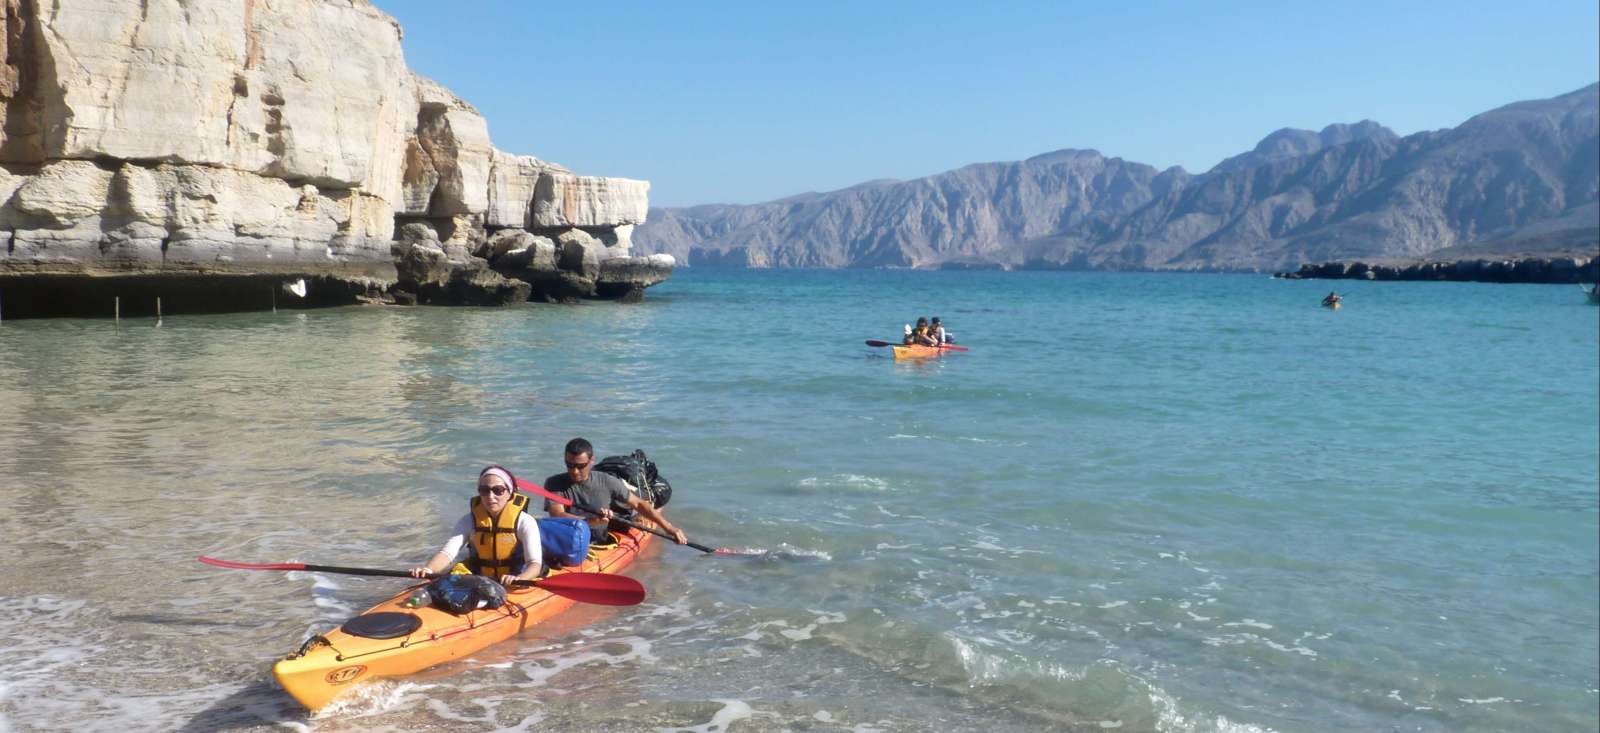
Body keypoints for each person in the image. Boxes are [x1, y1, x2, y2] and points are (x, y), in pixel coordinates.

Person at [409, 465, 544, 589]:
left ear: (510, 493)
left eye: (498, 490)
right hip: (480, 579)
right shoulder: (468, 521)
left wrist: (519, 579)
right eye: (484, 490)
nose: (491, 496)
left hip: (515, 578)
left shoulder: (525, 521)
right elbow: (447, 554)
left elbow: (534, 564)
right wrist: (428, 570)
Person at [544, 438, 687, 546]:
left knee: (631, 515)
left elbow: (638, 504)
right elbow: (558, 515)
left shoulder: (606, 481)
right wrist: (592, 521)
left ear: (591, 460)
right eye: (569, 465)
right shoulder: (554, 483)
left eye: (580, 466)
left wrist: (669, 528)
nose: (574, 471)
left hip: (598, 542)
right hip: (568, 542)